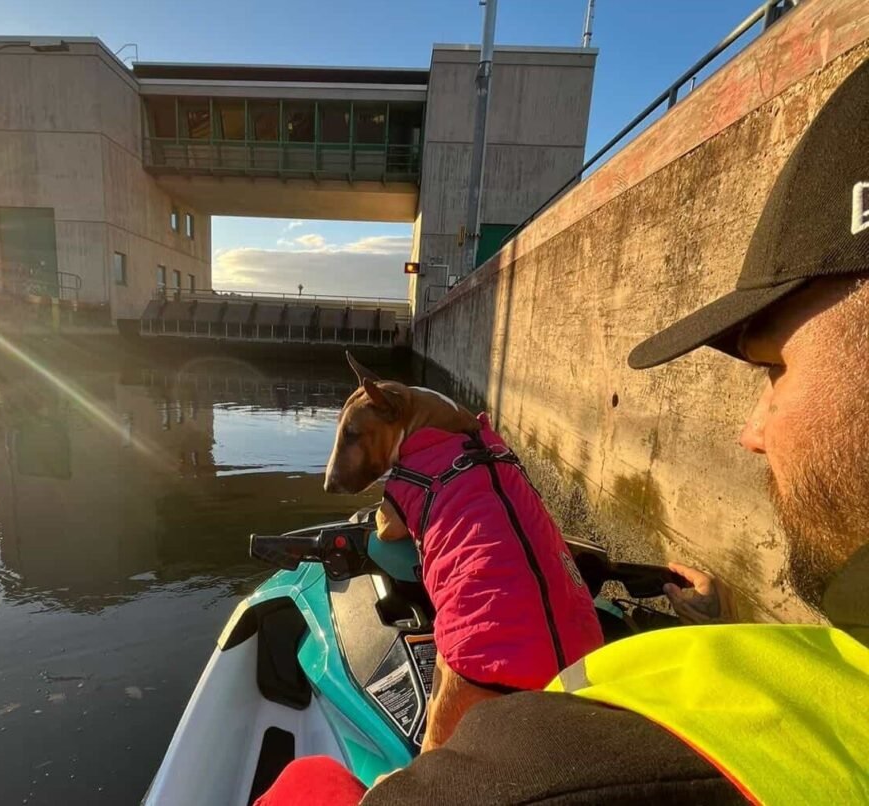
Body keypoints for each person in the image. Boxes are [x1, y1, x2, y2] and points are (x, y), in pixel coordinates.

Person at [256, 58, 869, 806]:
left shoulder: (588, 770)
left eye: (774, 370)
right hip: (569, 646)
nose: (751, 430)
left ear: (391, 417)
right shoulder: (487, 445)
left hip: (486, 666)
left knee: (316, 774)